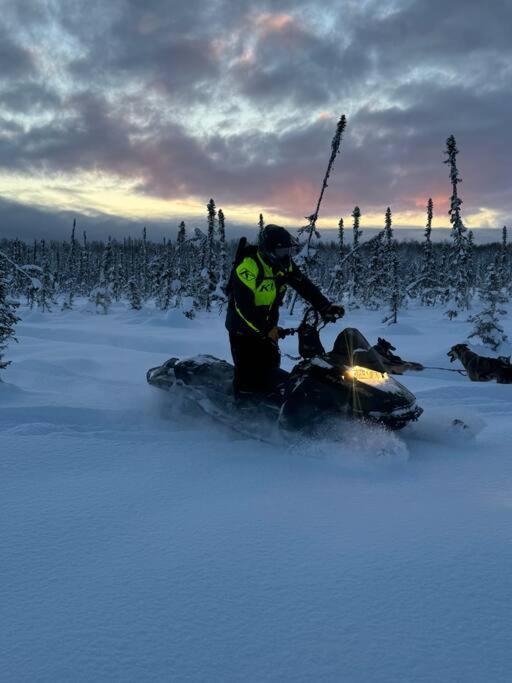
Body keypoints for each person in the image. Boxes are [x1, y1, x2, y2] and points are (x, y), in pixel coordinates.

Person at [225, 224, 344, 398]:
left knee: (270, 369)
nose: (286, 256)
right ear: (268, 250)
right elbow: (243, 307)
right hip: (242, 328)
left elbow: (303, 285)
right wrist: (266, 329)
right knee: (248, 376)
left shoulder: (284, 265)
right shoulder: (248, 268)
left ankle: (272, 407)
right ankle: (243, 410)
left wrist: (325, 307)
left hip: (268, 327)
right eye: (282, 252)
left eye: (288, 251)